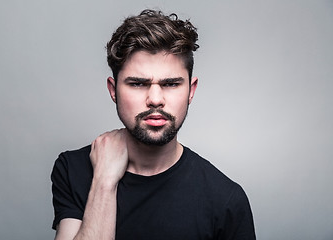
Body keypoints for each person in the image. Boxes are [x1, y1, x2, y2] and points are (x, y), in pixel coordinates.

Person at [51, 9, 256, 240]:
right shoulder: (74, 169)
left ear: (191, 90)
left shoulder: (226, 199)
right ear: (113, 90)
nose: (156, 99)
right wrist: (104, 182)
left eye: (170, 84)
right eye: (138, 84)